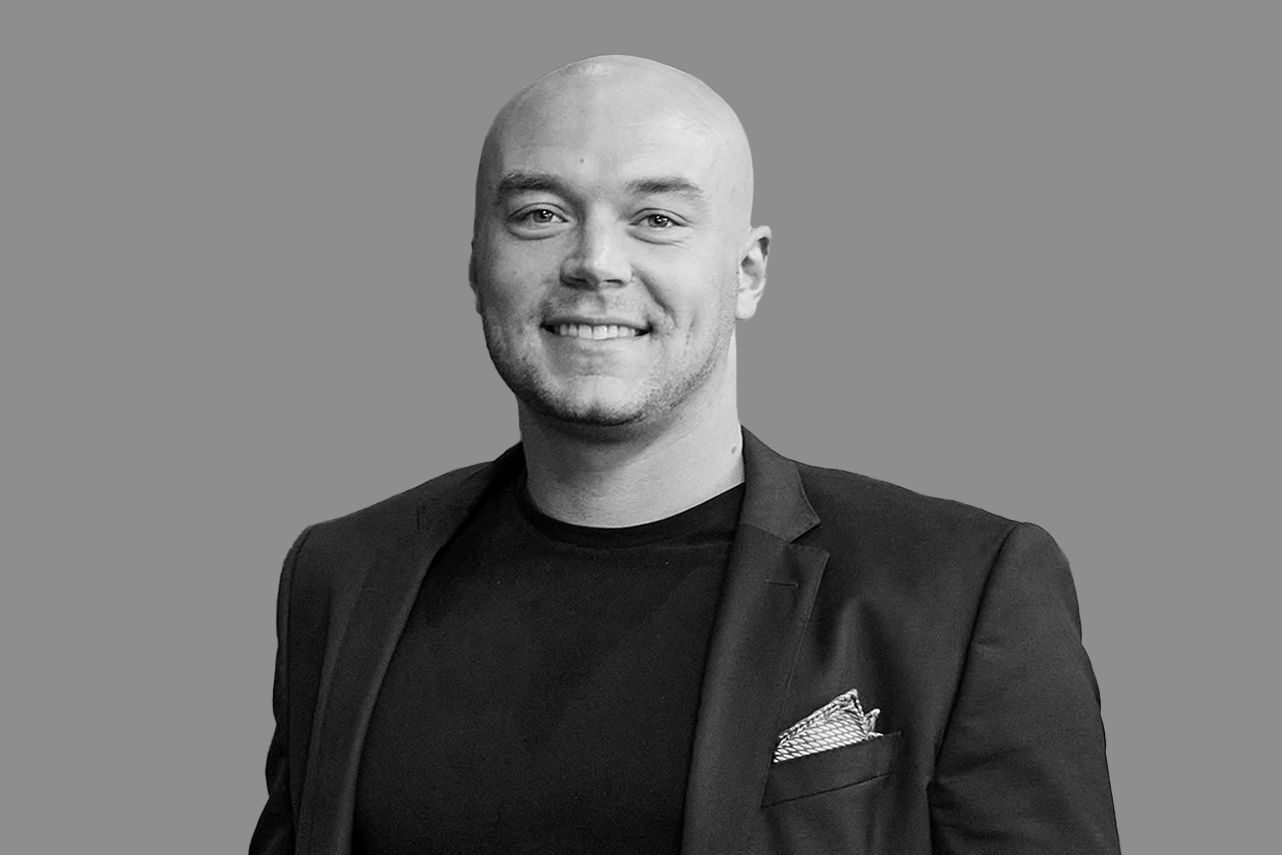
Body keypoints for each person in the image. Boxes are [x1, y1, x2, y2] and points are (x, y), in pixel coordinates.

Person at [250, 55, 1120, 854]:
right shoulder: (341, 575)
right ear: (478, 262)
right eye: (540, 214)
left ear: (748, 271)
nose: (594, 261)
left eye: (657, 218)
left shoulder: (961, 590)